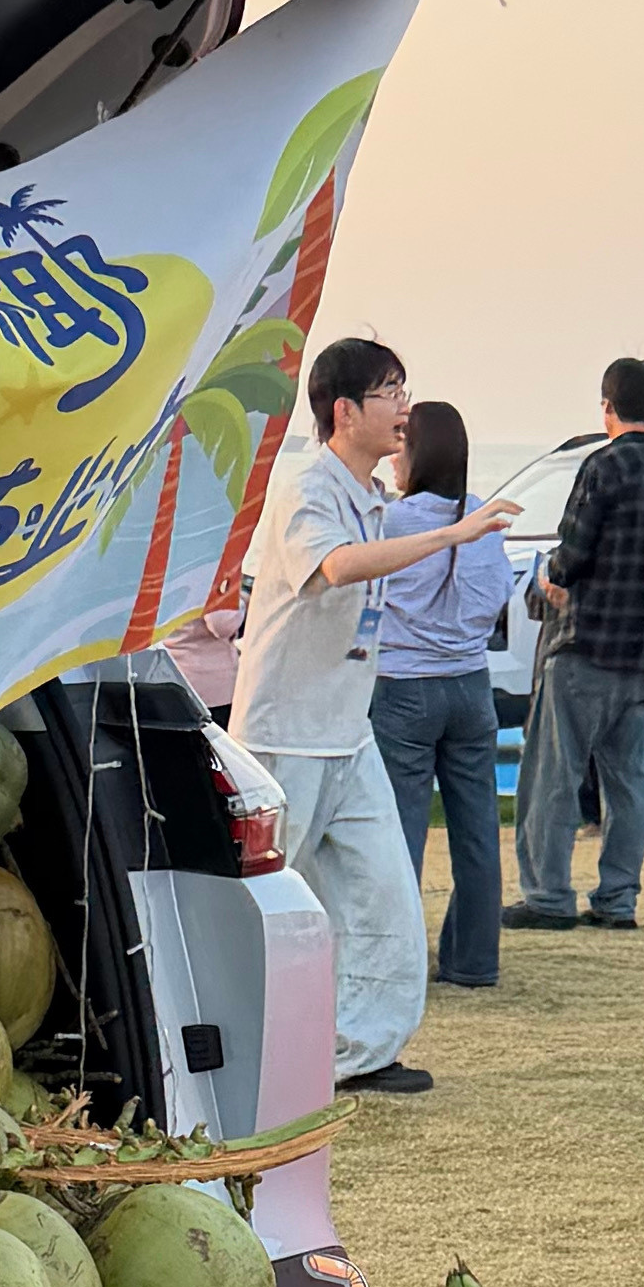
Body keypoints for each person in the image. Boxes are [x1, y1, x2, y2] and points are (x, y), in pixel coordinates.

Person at [232, 331, 509, 1095]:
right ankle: (239, 1050)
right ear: (345, 410)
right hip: (286, 736)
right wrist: (449, 532)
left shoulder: (372, 498)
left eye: (405, 391)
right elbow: (336, 566)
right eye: (390, 393)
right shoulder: (307, 490)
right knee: (262, 907)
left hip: (348, 736)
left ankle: (360, 1055)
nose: (404, 410)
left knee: (385, 891)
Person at [509, 356, 644, 932]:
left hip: (583, 647)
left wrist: (550, 580)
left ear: (607, 406)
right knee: (630, 783)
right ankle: (617, 899)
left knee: (553, 776)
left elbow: (571, 555)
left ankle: (548, 895)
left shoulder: (601, 467)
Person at [364, 394, 513, 994]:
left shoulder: (391, 523)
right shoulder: (482, 518)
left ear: (413, 454)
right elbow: (497, 595)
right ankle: (474, 961)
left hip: (403, 690)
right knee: (477, 830)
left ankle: (397, 963)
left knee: (400, 832)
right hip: (471, 687)